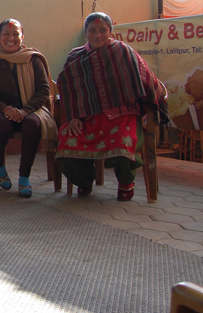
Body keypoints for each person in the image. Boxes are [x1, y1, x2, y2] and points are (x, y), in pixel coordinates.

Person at [56, 12, 167, 201]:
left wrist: (153, 101)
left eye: (103, 30)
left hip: (123, 115)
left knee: (122, 142)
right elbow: (69, 89)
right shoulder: (75, 56)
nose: (98, 35)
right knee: (67, 139)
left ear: (110, 32)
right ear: (86, 33)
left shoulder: (123, 51)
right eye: (92, 30)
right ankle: (84, 180)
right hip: (87, 118)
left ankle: (126, 182)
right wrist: (73, 116)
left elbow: (145, 79)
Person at [0, 19, 57, 198]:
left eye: (16, 34)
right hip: (2, 112)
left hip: (31, 111)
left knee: (32, 124)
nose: (11, 38)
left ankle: (24, 177)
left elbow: (44, 90)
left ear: (22, 36)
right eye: (6, 34)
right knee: (0, 124)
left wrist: (25, 110)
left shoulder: (33, 59)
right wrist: (5, 109)